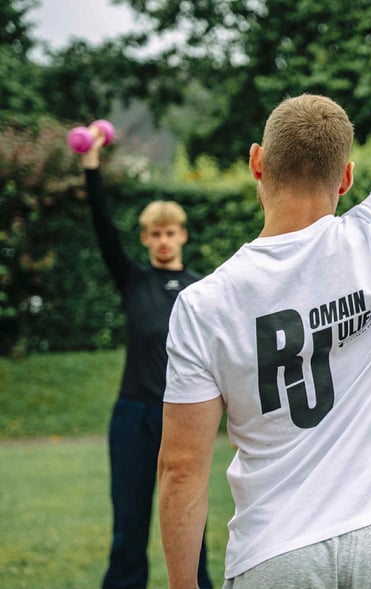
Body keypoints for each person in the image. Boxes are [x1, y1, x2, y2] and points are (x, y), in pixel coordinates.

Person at [156, 2, 371, 588]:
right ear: (346, 177)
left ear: (256, 164)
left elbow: (182, 469)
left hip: (273, 552)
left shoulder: (203, 305)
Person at [81, 132, 213, 589]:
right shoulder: (133, 281)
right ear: (145, 239)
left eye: (170, 232)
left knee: (191, 523)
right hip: (133, 416)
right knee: (129, 526)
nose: (163, 241)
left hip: (185, 415)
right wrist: (92, 166)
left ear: (183, 235)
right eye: (154, 234)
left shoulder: (202, 289)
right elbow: (102, 226)